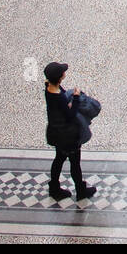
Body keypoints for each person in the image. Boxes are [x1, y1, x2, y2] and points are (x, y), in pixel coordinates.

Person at [44, 61, 97, 202]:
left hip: (56, 132)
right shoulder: (59, 97)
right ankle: (80, 190)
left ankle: (54, 187)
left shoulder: (49, 88)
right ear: (60, 77)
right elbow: (70, 114)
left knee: (59, 160)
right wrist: (76, 97)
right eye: (63, 72)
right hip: (67, 135)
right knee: (75, 163)